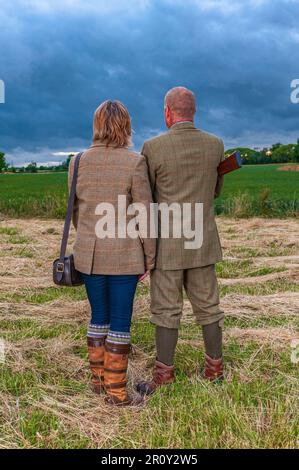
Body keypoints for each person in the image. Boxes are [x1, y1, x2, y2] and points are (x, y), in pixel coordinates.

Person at [136, 87, 225, 396]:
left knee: (165, 310)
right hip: (202, 241)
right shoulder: (215, 145)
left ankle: (164, 375)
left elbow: (145, 198)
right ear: (194, 112)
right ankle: (215, 369)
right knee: (209, 307)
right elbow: (215, 191)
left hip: (168, 247)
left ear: (167, 112)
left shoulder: (152, 147)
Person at [68, 100, 155, 406]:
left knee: (98, 316)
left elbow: (76, 211)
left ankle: (98, 382)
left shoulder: (76, 161)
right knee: (120, 320)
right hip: (125, 253)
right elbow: (145, 215)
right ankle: (117, 393)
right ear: (126, 126)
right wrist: (150, 257)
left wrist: (90, 235)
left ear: (97, 125)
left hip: (88, 252)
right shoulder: (135, 162)